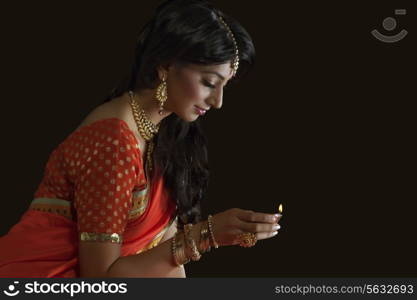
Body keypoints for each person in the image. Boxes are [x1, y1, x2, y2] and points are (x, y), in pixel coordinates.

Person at [0, 0, 282, 278]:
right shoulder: (113, 141)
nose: (218, 101)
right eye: (209, 82)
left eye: (225, 86)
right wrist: (206, 235)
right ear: (166, 65)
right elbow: (101, 281)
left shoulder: (164, 132)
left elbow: (161, 255)